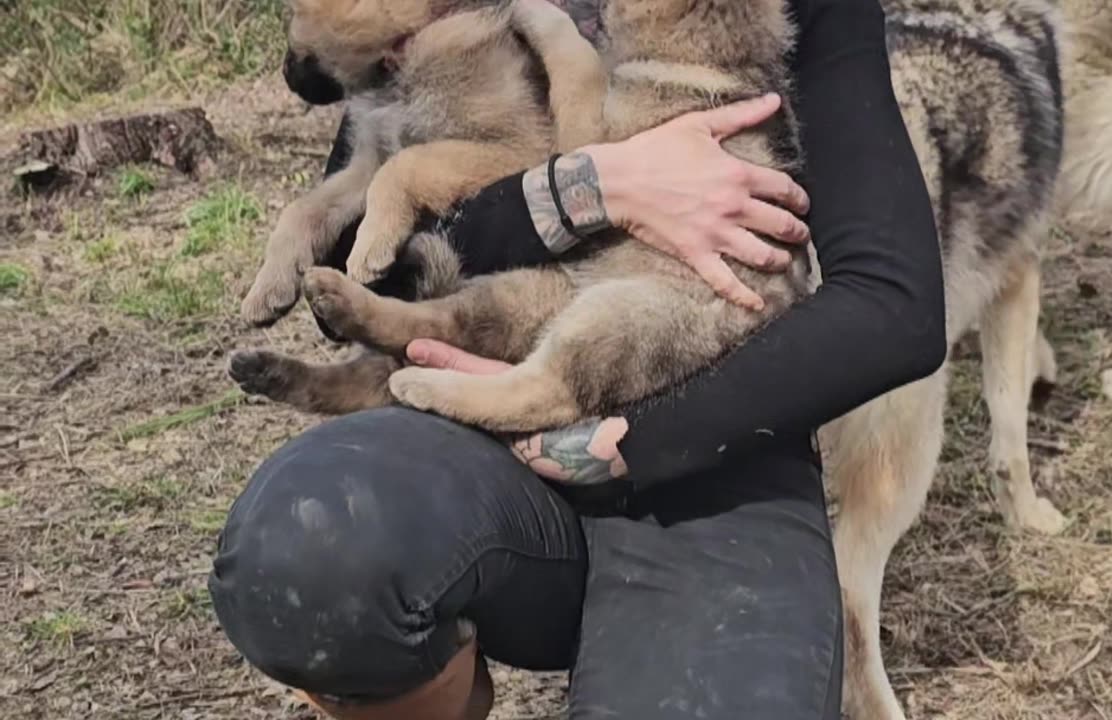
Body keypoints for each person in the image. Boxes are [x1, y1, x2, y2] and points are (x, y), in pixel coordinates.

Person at [207, 0, 945, 717]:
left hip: (708, 447)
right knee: (309, 554)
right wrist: (590, 191)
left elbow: (893, 308)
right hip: (478, 393)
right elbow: (349, 262)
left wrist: (619, 445)